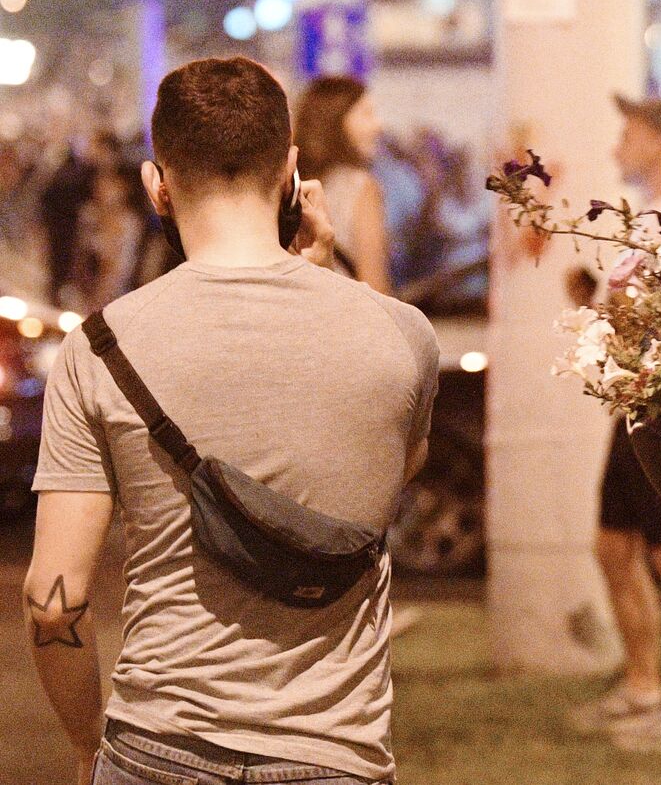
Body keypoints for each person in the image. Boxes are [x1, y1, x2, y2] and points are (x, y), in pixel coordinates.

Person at [23, 56, 439, 785]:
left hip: (156, 747)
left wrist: (91, 746)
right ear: (291, 172)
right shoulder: (403, 337)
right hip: (334, 753)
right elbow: (384, 480)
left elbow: (53, 600)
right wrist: (324, 265)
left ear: (156, 184)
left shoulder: (99, 347)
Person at [567, 94, 661, 753]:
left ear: (659, 139)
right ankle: (642, 685)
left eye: (627, 131)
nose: (616, 146)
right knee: (613, 547)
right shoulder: (654, 216)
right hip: (635, 404)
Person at [294, 75, 395, 294]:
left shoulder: (288, 184)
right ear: (336, 120)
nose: (378, 126)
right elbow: (374, 288)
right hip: (341, 317)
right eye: (366, 114)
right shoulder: (361, 188)